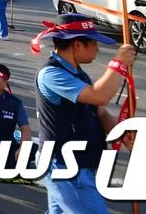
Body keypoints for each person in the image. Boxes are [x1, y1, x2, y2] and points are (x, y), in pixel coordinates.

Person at [34, 13, 137, 214]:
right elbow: (100, 96)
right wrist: (118, 63)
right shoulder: (51, 74)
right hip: (66, 166)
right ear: (77, 45)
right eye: (93, 43)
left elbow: (98, 110)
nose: (97, 49)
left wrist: (120, 133)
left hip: (79, 163)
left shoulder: (78, 73)